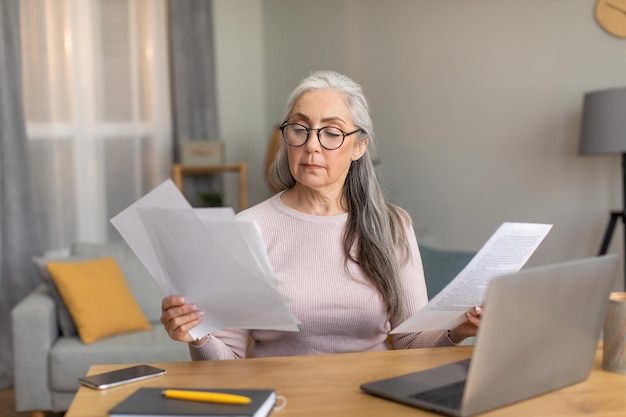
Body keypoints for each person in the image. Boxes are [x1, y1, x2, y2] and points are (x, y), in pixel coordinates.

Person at [160, 70, 481, 360]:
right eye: (300, 129)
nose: (312, 145)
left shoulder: (391, 225)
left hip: (371, 395)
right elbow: (227, 361)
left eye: (331, 132)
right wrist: (196, 336)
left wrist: (457, 331)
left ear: (359, 147)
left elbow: (413, 344)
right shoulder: (248, 228)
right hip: (283, 398)